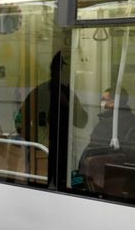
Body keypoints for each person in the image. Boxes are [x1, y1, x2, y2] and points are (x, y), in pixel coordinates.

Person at [15, 51, 88, 187]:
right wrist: (32, 142)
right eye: (60, 69)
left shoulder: (68, 94)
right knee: (38, 186)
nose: (61, 73)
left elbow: (82, 121)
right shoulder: (39, 92)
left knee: (62, 186)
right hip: (41, 151)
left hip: (63, 152)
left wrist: (67, 104)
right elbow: (19, 120)